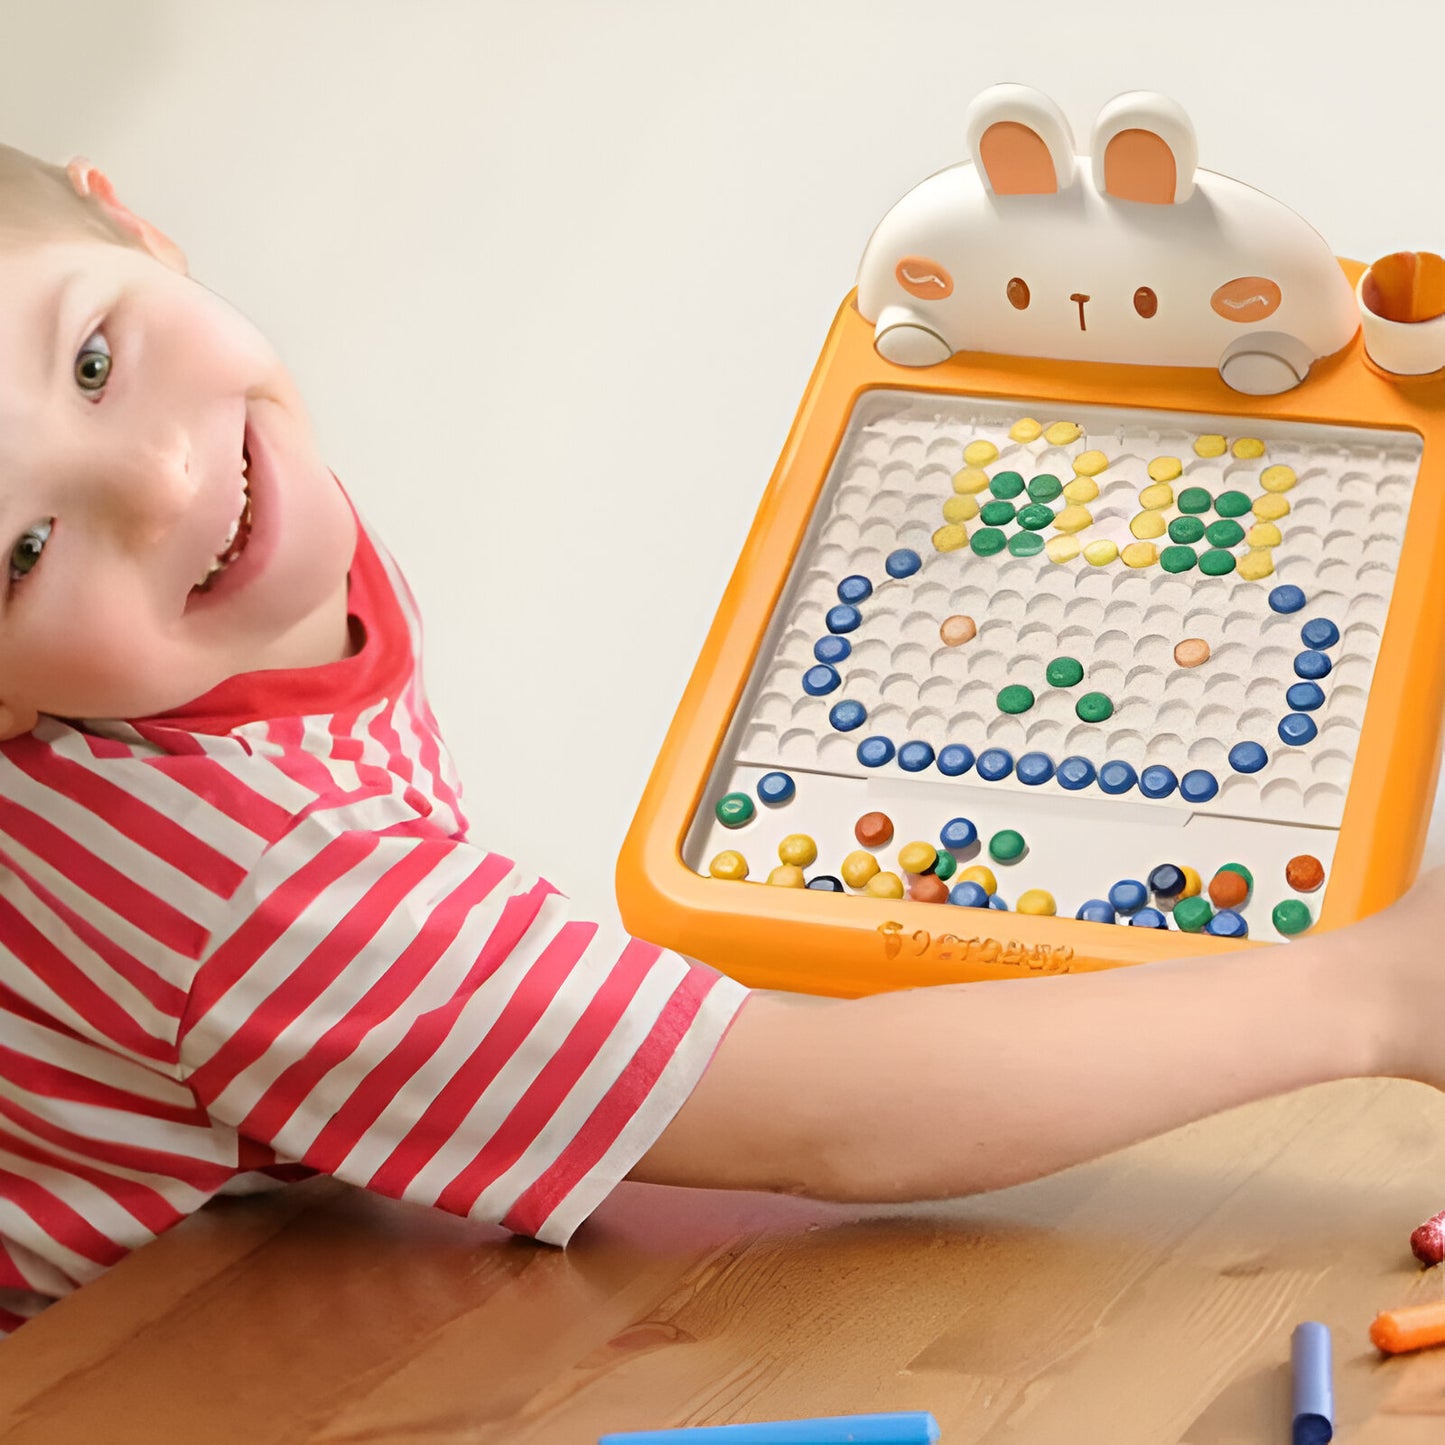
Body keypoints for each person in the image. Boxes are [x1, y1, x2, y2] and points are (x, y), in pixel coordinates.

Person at [0, 144, 1440, 1338]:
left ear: (134, 221)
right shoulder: (270, 895)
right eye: (21, 549)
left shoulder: (234, 547)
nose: (160, 478)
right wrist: (1363, 993)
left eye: (92, 360)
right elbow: (828, 1118)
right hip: (149, 1364)